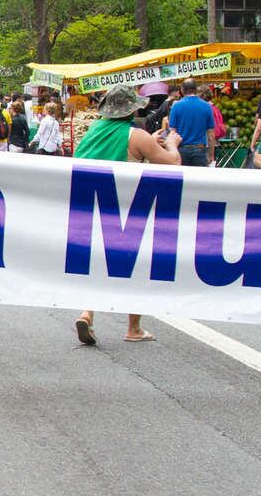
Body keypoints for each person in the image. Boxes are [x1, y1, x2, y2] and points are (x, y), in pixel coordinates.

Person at [73, 85, 182, 346]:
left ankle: (87, 313)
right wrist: (171, 144)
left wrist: (148, 141)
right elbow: (173, 164)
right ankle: (134, 327)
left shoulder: (94, 131)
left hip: (93, 209)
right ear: (133, 108)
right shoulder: (137, 135)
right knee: (137, 268)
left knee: (97, 264)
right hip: (128, 209)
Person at [167, 78, 215, 166]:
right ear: (196, 90)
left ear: (182, 90)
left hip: (181, 150)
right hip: (200, 150)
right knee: (199, 178)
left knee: (183, 178)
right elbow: (211, 135)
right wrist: (211, 155)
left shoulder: (176, 106)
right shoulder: (207, 106)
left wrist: (170, 152)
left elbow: (172, 132)